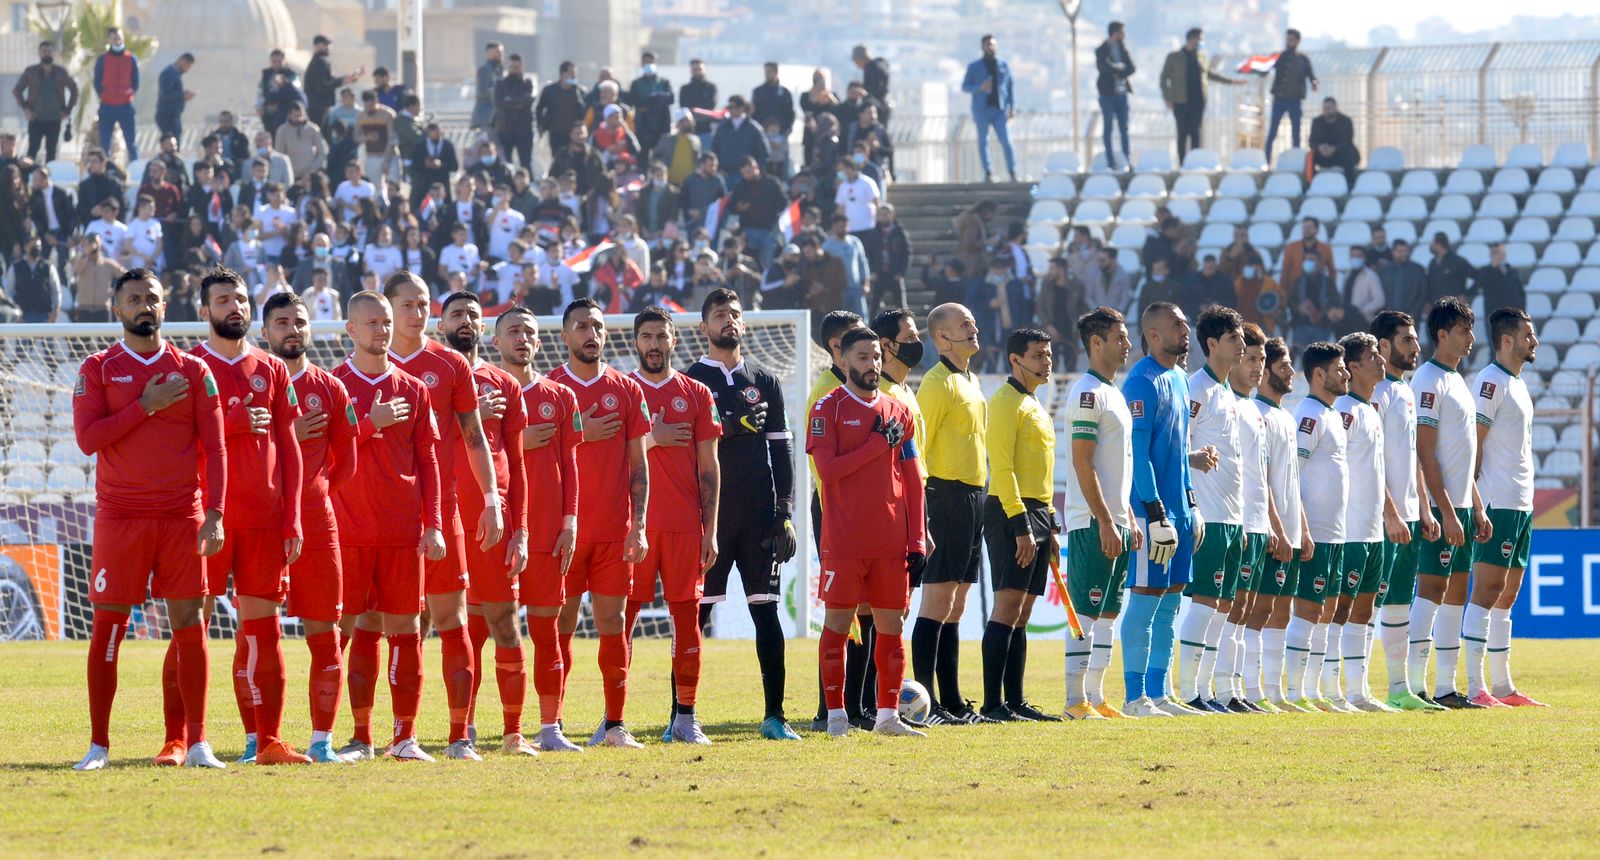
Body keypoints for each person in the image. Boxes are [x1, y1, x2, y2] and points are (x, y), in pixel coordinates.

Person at [71, 269, 227, 772]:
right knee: (108, 629)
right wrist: (145, 406)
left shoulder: (194, 370)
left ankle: (197, 742)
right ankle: (98, 746)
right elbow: (88, 439)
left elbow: (217, 449)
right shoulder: (98, 368)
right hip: (121, 518)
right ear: (117, 308)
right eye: (134, 298)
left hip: (182, 517)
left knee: (190, 626)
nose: (144, 305)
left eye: (152, 298)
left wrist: (216, 513)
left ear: (165, 305)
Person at [187, 270, 307, 768]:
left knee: (264, 631)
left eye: (239, 298)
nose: (234, 306)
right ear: (204, 311)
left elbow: (291, 448)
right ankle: (184, 740)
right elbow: (174, 445)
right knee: (191, 628)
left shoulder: (272, 369)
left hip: (264, 519)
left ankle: (268, 740)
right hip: (205, 520)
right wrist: (231, 424)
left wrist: (292, 518)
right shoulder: (190, 367)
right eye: (223, 300)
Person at [383, 272, 504, 758]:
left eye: (423, 304)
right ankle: (386, 735)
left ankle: (459, 736)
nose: (417, 313)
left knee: (453, 620)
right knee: (385, 625)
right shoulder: (369, 366)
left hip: (443, 513)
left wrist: (492, 499)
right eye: (407, 304)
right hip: (385, 517)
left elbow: (475, 438)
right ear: (388, 309)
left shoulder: (450, 364)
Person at [331, 290, 447, 762]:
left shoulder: (414, 389)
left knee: (406, 629)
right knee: (351, 629)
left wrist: (433, 524)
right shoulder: (333, 384)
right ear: (350, 330)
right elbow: (322, 458)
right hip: (348, 532)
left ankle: (405, 738)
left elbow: (429, 461)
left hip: (402, 532)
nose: (381, 330)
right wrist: (367, 423)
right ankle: (357, 737)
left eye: (385, 321)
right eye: (371, 322)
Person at [684, 289, 799, 740]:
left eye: (735, 314)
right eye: (719, 315)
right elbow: (683, 448)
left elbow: (782, 451)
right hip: (707, 520)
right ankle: (682, 716)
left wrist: (783, 512)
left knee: (766, 613)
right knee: (694, 618)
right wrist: (730, 426)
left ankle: (775, 717)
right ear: (704, 327)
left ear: (744, 324)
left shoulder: (765, 380)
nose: (728, 320)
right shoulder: (691, 380)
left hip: (758, 518)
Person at [809, 327, 928, 738]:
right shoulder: (827, 408)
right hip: (844, 541)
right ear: (843, 360)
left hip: (890, 541)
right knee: (838, 625)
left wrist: (917, 539)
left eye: (877, 356)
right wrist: (877, 445)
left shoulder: (899, 411)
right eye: (863, 357)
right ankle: (836, 716)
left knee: (892, 627)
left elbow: (912, 480)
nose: (872, 364)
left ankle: (887, 717)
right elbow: (828, 472)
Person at [434, 292, 534, 758]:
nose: (465, 321)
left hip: (493, 523)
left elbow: (518, 462)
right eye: (456, 314)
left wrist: (522, 529)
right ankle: (447, 730)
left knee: (504, 624)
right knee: (437, 627)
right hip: (440, 521)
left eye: (473, 315)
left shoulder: (505, 385)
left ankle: (513, 733)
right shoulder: (427, 376)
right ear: (441, 325)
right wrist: (468, 415)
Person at [548, 298, 651, 747]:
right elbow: (532, 455)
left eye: (597, 326)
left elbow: (640, 466)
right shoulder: (550, 387)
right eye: (581, 327)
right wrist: (578, 431)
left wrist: (639, 525)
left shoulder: (626, 389)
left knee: (614, 624)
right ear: (565, 335)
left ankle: (615, 725)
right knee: (561, 626)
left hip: (614, 532)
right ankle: (553, 725)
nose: (591, 334)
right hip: (565, 531)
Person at [259, 293, 357, 762]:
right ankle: (259, 740)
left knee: (326, 633)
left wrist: (311, 492)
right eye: (282, 322)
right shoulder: (254, 382)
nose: (292, 330)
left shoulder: (330, 388)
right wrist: (288, 439)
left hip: (317, 522)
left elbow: (347, 464)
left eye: (299, 321)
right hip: (260, 520)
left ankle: (322, 741)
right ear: (265, 332)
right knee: (257, 633)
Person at [623, 308, 721, 745]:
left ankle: (685, 718)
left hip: (684, 526)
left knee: (687, 620)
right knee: (622, 620)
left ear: (674, 341)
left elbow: (709, 468)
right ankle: (613, 720)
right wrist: (653, 438)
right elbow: (604, 456)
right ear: (635, 342)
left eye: (661, 336)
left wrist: (710, 529)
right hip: (632, 527)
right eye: (646, 336)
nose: (654, 344)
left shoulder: (696, 393)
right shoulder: (622, 390)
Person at [490, 308, 584, 752]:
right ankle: (469, 729)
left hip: (546, 533)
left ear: (541, 342)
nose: (522, 338)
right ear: (496, 342)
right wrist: (516, 441)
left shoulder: (560, 396)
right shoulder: (483, 394)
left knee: (546, 631)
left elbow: (571, 464)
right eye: (513, 331)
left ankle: (550, 729)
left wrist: (571, 521)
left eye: (529, 332)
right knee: (486, 631)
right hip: (496, 531)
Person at [1408, 297, 1492, 709]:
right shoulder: (1427, 380)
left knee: (1457, 591)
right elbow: (1425, 453)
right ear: (1442, 335)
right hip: (1439, 506)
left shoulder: (1458, 380)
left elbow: (1463, 454)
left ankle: (1445, 687)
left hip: (1460, 505)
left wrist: (1475, 505)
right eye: (1462, 331)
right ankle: (1414, 686)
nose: (1471, 338)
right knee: (1431, 589)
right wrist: (1443, 510)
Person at [1120, 302, 1202, 717]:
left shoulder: (1181, 379)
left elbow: (1181, 453)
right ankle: (1134, 698)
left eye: (1185, 323)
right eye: (1176, 324)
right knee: (1146, 597)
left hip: (1180, 512)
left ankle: (1159, 692)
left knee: (1171, 601)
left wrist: (1191, 503)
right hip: (1152, 512)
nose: (1185, 330)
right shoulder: (1141, 381)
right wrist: (1154, 511)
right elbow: (1138, 452)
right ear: (1153, 334)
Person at [1059, 307, 1139, 720]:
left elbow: (1118, 465)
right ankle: (1074, 700)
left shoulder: (1114, 393)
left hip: (1116, 521)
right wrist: (1105, 520)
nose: (1128, 344)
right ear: (1096, 342)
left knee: (1108, 614)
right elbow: (1082, 462)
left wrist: (1127, 516)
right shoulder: (1086, 393)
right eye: (1120, 337)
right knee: (1087, 611)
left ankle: (1096, 695)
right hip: (1093, 521)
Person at [977, 328, 1060, 723]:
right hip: (1012, 512)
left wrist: (1051, 523)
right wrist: (1021, 524)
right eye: (1038, 355)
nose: (1047, 361)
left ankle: (1016, 700)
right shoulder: (1005, 402)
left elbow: (1042, 471)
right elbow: (1002, 468)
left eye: (1049, 354)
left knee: (1023, 611)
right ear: (1015, 359)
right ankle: (993, 704)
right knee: (1008, 605)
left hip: (1038, 512)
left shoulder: (1035, 403)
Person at [1465, 308, 1546, 708]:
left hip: (1521, 503)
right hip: (1496, 501)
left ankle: (1502, 686)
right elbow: (1474, 444)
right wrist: (1476, 500)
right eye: (1528, 335)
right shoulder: (1490, 382)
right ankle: (1474, 685)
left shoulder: (1518, 384)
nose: (1535, 341)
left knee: (1507, 595)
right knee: (1487, 590)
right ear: (1507, 339)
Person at [1368, 310, 1444, 711]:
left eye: (1415, 339)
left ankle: (1399, 689)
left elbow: (1412, 455)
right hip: (1382, 519)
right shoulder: (1375, 394)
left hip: (1410, 515)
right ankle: (1354, 690)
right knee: (1368, 603)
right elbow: (1370, 459)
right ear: (1383, 345)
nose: (1416, 347)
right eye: (1407, 340)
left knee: (1399, 602)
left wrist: (1423, 508)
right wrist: (1390, 512)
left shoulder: (1406, 391)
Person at [1175, 306, 1246, 714]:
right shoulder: (1196, 388)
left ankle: (1209, 691)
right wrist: (1193, 459)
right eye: (1233, 338)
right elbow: (1174, 445)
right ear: (1212, 343)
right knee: (1204, 602)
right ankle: (1190, 693)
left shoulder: (1226, 392)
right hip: (1209, 513)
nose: (1241, 344)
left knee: (1222, 606)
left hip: (1232, 515)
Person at [1329, 331, 1397, 712]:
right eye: (1373, 356)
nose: (1381, 361)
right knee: (1339, 609)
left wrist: (1389, 513)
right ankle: (1330, 689)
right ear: (1353, 367)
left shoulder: (1371, 410)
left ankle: (1359, 691)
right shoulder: (1344, 412)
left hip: (1373, 529)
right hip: (1349, 528)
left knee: (1365, 612)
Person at [1281, 341, 1349, 712]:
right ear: (1319, 374)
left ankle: (1314, 691)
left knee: (1326, 612)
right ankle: (1295, 692)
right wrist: (1303, 527)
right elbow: (1293, 474)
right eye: (1339, 369)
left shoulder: (1332, 414)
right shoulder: (1308, 415)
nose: (1346, 374)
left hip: (1336, 531)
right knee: (1308, 611)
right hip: (1316, 531)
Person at [1231, 328, 1294, 712]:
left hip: (1266, 524)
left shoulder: (1265, 413)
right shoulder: (1245, 409)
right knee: (1238, 608)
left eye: (1262, 360)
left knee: (1260, 609)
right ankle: (1229, 689)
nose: (1259, 367)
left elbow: (1273, 478)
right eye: (1252, 359)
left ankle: (1252, 691)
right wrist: (1272, 524)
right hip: (1246, 523)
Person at [1248, 336, 1312, 709]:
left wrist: (1302, 528)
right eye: (1283, 364)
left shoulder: (1286, 417)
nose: (1290, 371)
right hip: (1271, 531)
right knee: (1258, 610)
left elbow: (1291, 481)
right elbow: (1262, 479)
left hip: (1290, 529)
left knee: (1280, 612)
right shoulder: (1259, 415)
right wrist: (1277, 527)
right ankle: (1250, 690)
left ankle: (1274, 692)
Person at [1159, 28, 1240, 164]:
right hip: (1180, 101)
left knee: (1196, 133)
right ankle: (1182, 163)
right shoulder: (1174, 57)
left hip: (1198, 102)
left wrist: (1231, 81)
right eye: (1199, 39)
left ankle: (1194, 163)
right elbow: (1164, 78)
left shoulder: (1202, 57)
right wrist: (1168, 98)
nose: (1201, 42)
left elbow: (1209, 74)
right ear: (1192, 39)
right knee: (1182, 133)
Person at [961, 35, 1017, 183]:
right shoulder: (974, 67)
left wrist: (1012, 107)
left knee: (1006, 141)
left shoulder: (1003, 65)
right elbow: (965, 86)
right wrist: (980, 87)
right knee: (982, 142)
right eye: (988, 45)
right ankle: (988, 172)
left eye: (993, 44)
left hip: (999, 110)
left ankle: (1012, 171)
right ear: (982, 47)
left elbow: (1009, 87)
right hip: (982, 110)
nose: (990, 47)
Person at [14, 41, 78, 163]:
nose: (46, 53)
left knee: (51, 152)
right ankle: (29, 174)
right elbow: (17, 91)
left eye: (49, 51)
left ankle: (49, 175)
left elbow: (74, 89)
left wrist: (68, 109)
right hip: (35, 118)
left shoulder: (61, 72)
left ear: (53, 53)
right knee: (32, 151)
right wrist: (26, 108)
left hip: (54, 118)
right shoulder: (31, 71)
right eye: (44, 51)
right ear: (39, 53)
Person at [1264, 29, 1318, 158]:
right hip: (1279, 99)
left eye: (1291, 40)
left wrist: (1314, 83)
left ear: (1297, 41)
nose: (1288, 42)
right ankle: (1267, 160)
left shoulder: (1303, 59)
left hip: (1295, 100)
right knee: (1272, 132)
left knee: (1296, 133)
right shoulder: (1280, 57)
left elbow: (1312, 76)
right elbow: (1266, 68)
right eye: (1287, 39)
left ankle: (1296, 159)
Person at [93, 27, 141, 160]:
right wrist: (103, 95)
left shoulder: (131, 59)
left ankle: (134, 166)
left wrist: (129, 93)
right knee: (105, 143)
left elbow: (136, 81)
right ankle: (105, 166)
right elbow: (97, 81)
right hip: (107, 106)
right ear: (109, 40)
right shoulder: (102, 59)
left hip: (125, 105)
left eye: (118, 36)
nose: (116, 39)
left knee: (131, 142)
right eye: (113, 37)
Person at [1094, 22, 1136, 171]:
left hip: (1122, 94)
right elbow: (1104, 68)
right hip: (1107, 95)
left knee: (1124, 129)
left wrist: (1117, 70)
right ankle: (1110, 161)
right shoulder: (1102, 50)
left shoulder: (1123, 49)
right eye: (1121, 32)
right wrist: (1120, 68)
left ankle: (1126, 160)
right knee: (1108, 128)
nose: (1123, 35)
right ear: (1115, 33)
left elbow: (1131, 68)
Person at [302, 35, 363, 129]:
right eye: (325, 44)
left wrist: (347, 79)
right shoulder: (319, 63)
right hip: (318, 109)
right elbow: (322, 86)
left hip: (318, 108)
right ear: (317, 46)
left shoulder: (320, 62)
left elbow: (329, 81)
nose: (328, 47)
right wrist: (343, 80)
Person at [861, 204, 910, 316]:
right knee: (874, 305)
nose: (884, 217)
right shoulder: (873, 233)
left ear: (893, 215)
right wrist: (872, 271)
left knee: (901, 306)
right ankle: (871, 324)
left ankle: (905, 324)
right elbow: (868, 254)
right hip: (879, 273)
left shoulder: (899, 232)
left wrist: (901, 272)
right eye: (881, 214)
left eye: (887, 214)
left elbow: (906, 254)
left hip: (895, 273)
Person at [626, 51, 675, 155]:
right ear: (642, 64)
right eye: (646, 62)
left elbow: (671, 99)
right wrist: (653, 100)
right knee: (643, 156)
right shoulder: (636, 83)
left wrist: (654, 100)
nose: (649, 65)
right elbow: (635, 102)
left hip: (662, 126)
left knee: (661, 156)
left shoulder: (664, 82)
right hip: (643, 127)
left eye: (651, 62)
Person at [494, 54, 536, 170]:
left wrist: (510, 100)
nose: (514, 70)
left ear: (522, 67)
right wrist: (518, 102)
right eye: (512, 67)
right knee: (506, 164)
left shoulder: (527, 83)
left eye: (517, 67)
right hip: (505, 130)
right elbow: (499, 102)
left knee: (526, 164)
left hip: (524, 131)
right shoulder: (500, 84)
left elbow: (528, 100)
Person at [537, 62, 586, 160]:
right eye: (571, 73)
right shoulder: (549, 90)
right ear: (562, 74)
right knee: (558, 160)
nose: (574, 77)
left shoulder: (579, 91)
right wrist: (541, 125)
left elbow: (584, 111)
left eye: (575, 74)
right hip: (556, 133)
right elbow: (539, 108)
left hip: (574, 134)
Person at [1292, 248, 1340, 347]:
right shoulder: (1298, 281)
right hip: (1301, 326)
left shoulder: (1328, 282)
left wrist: (1320, 312)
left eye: (1311, 259)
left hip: (1322, 327)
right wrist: (1300, 307)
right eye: (1306, 259)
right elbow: (1291, 301)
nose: (1307, 262)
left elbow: (1335, 301)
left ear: (1319, 262)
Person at [6, 239, 63, 323]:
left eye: (38, 246)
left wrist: (55, 312)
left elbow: (56, 291)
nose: (36, 249)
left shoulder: (49, 267)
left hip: (44, 316)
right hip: (22, 317)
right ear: (26, 247)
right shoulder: (15, 268)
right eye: (33, 246)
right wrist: (14, 314)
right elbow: (9, 293)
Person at [1309, 98, 1360, 182]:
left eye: (1329, 108)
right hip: (1324, 155)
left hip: (1341, 154)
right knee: (1310, 157)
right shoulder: (1317, 122)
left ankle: (1350, 183)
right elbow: (1312, 142)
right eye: (1325, 108)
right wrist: (1319, 147)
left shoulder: (1346, 121)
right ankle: (1310, 183)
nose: (1327, 111)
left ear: (1335, 108)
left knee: (1349, 154)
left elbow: (1348, 142)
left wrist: (1334, 149)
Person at [1471, 243, 1525, 320]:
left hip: (1513, 316)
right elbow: (1476, 286)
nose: (1498, 255)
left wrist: (1521, 311)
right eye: (1495, 253)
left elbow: (1520, 293)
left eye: (1501, 253)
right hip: (1495, 316)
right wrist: (1493, 267)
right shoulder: (1485, 271)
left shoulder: (1512, 271)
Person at [1339, 246, 1384, 337]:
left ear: (1364, 258)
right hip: (1346, 320)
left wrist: (1362, 311)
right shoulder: (1347, 275)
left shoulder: (1371, 276)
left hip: (1363, 321)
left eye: (1358, 256)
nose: (1355, 258)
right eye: (1353, 256)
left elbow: (1379, 300)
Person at [1381, 240, 1428, 325]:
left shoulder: (1417, 269)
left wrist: (1414, 313)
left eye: (1405, 251)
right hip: (1389, 317)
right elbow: (1381, 292)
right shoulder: (1384, 270)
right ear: (1393, 252)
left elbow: (1423, 293)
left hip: (1411, 317)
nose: (1403, 254)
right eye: (1400, 251)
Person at [155, 53, 195, 139]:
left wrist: (184, 95)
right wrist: (183, 96)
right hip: (167, 116)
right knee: (171, 142)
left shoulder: (175, 74)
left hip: (174, 116)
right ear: (182, 61)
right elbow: (166, 94)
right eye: (187, 66)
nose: (187, 70)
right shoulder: (168, 73)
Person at [680, 59, 719, 144]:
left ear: (704, 70)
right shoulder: (685, 89)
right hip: (689, 130)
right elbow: (684, 108)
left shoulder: (711, 87)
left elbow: (711, 106)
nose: (697, 72)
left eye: (699, 69)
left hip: (706, 129)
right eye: (695, 69)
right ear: (691, 71)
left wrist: (696, 110)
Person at [474, 42, 504, 131]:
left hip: (496, 117)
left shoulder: (499, 69)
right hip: (485, 117)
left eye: (501, 52)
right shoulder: (485, 69)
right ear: (488, 53)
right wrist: (500, 93)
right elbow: (482, 92)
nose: (499, 55)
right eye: (497, 52)